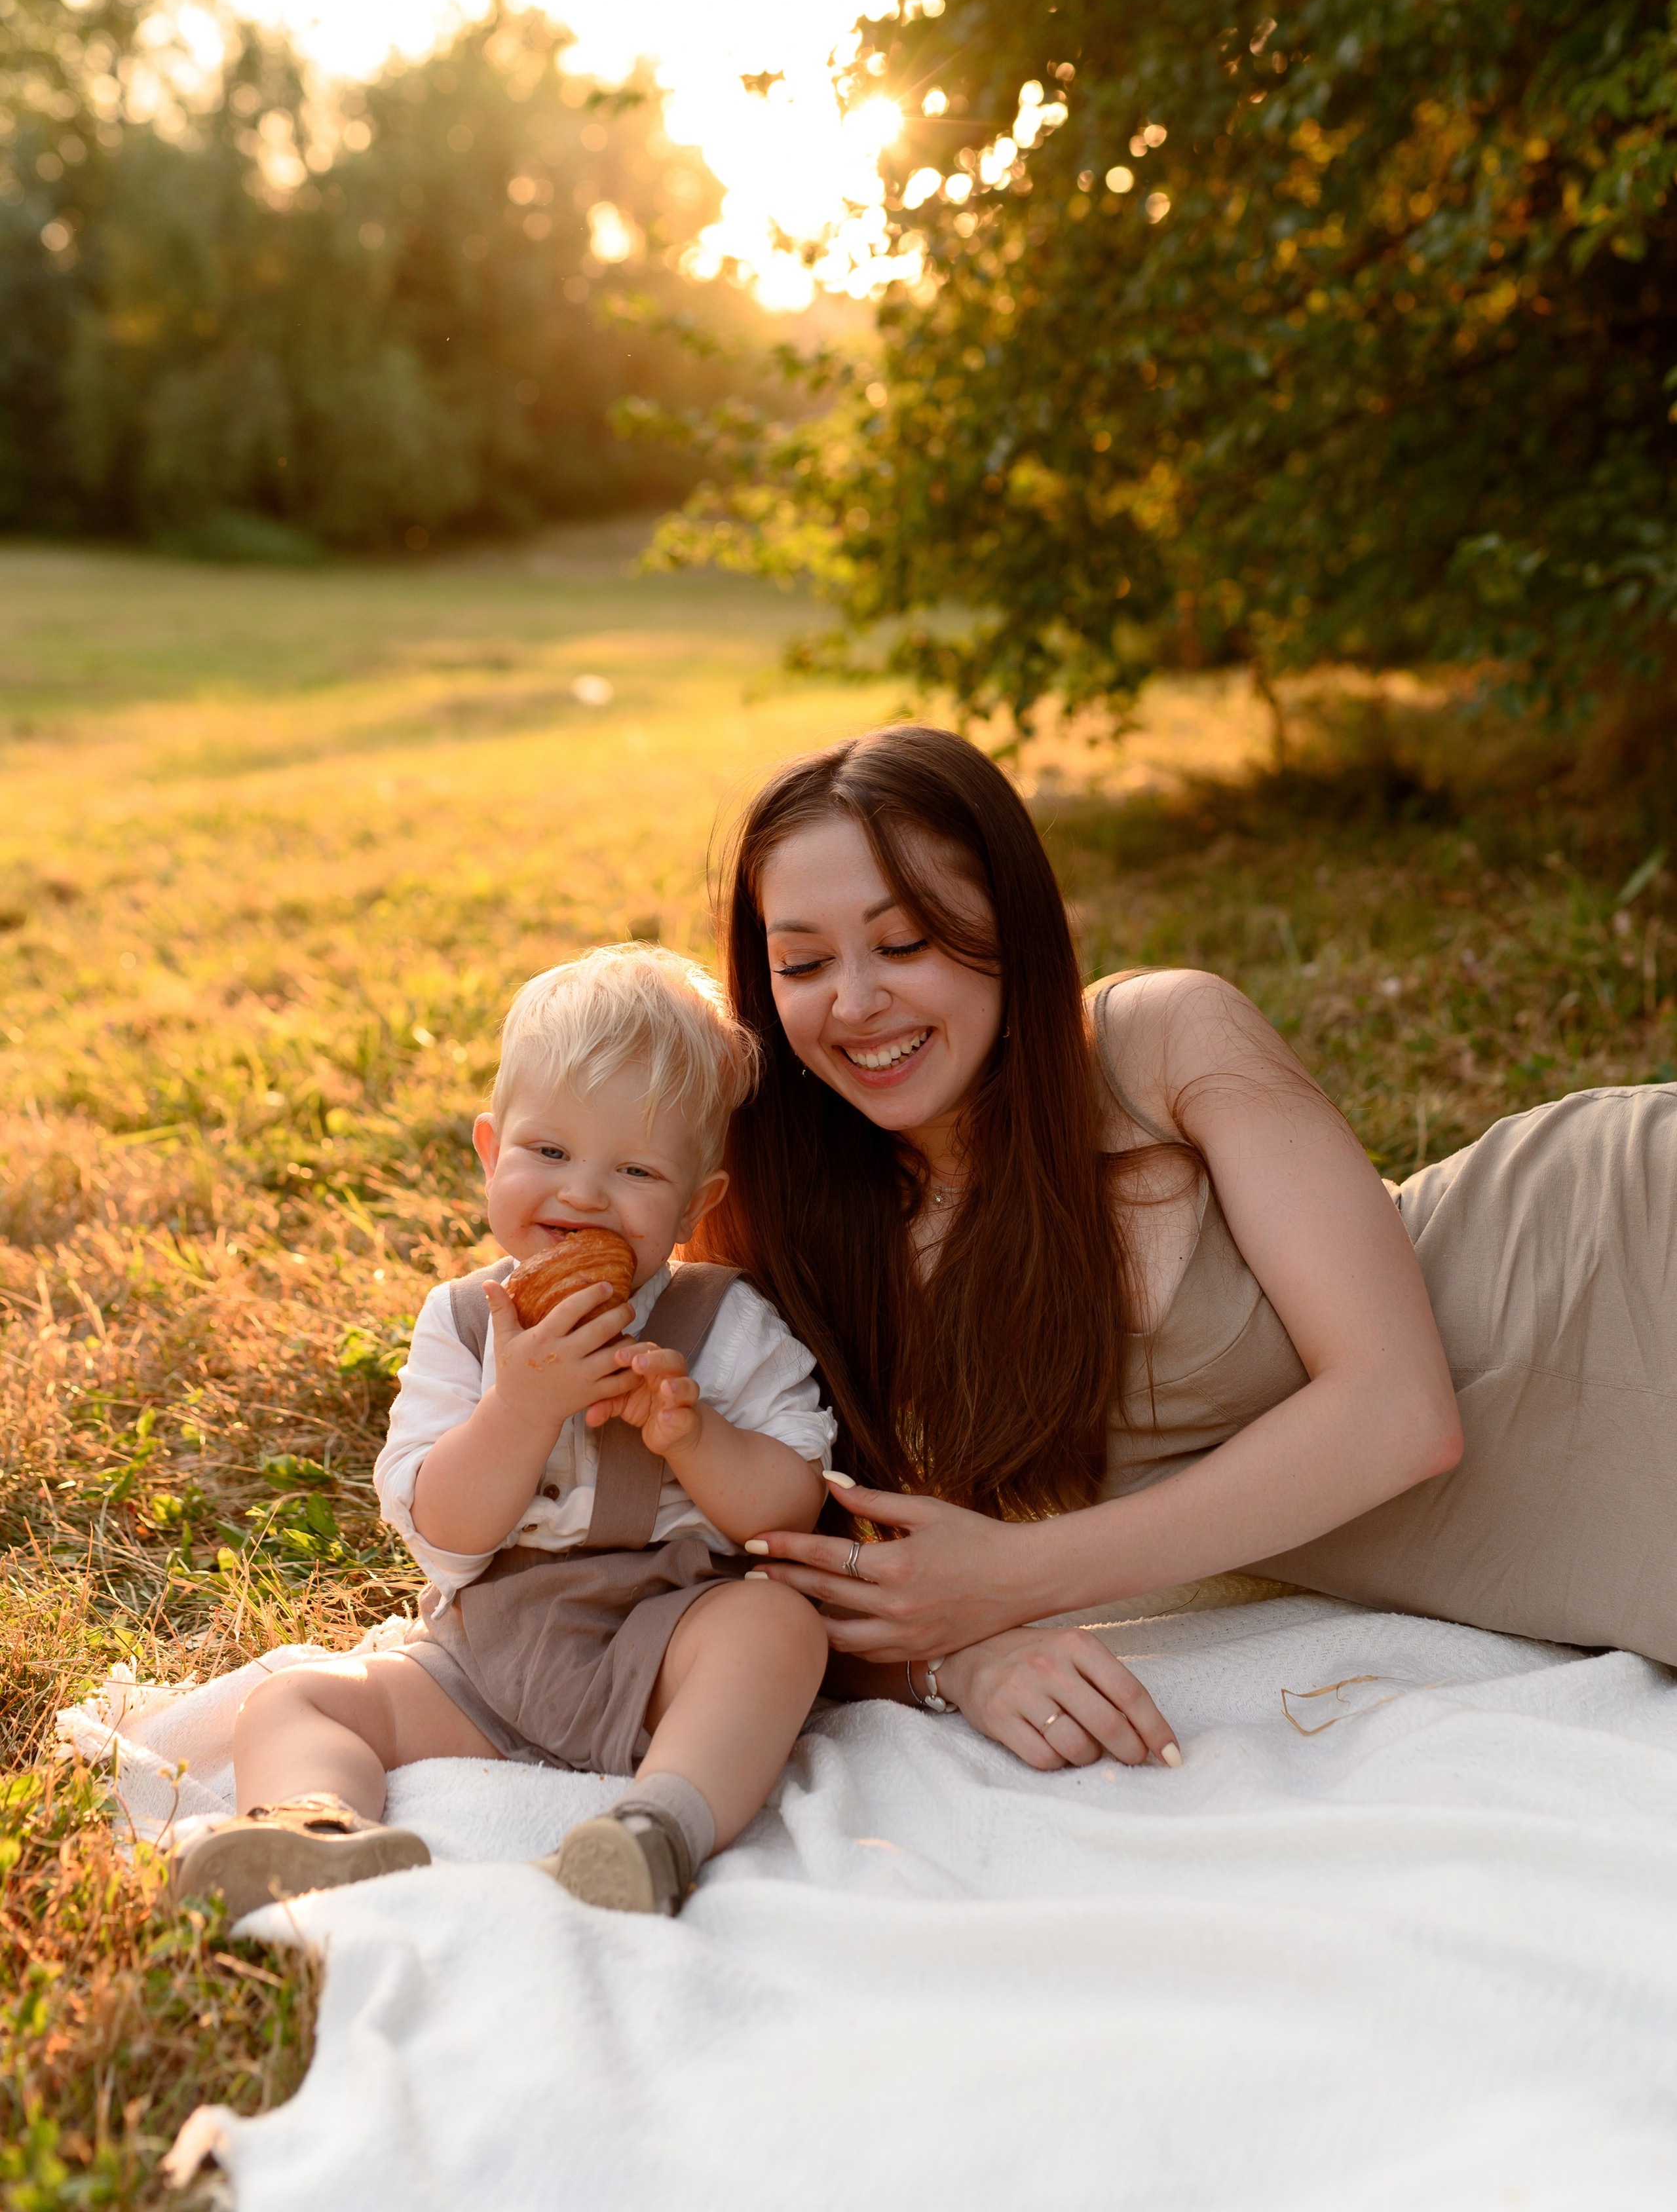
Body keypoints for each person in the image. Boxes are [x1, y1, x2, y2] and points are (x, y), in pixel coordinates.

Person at [689, 723, 1677, 1774]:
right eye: (802, 962)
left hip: (1615, 1257)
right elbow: (731, 1582)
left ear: (1011, 926)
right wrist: (960, 1660)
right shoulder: (790, 1228)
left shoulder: (1158, 1041)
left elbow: (1400, 1411)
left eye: (905, 943)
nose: (854, 1002)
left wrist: (1019, 1577)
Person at [172, 945, 834, 1920]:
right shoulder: (466, 1322)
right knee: (294, 1700)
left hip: (660, 1645)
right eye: (549, 1153)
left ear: (698, 1204)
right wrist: (516, 1409)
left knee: (777, 1629)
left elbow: (789, 1505)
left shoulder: (724, 1322)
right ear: (492, 1151)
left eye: (636, 1169)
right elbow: (443, 1528)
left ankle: (661, 1827)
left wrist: (696, 1438)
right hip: (488, 1656)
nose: (581, 1195)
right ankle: (313, 1827)